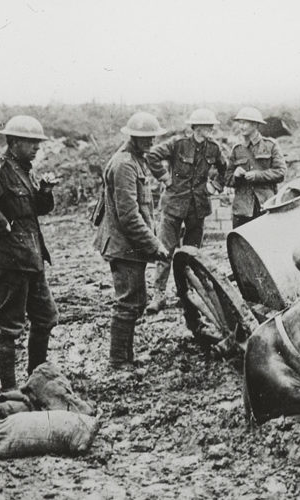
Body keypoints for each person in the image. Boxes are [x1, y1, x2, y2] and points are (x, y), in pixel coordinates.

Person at [0, 115, 59, 392]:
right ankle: (8, 390)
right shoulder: (0, 170)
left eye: (38, 143)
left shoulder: (24, 169)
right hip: (10, 258)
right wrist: (2, 223)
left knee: (45, 317)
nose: (37, 148)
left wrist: (44, 191)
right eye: (31, 143)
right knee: (9, 325)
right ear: (14, 142)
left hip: (30, 255)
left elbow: (36, 209)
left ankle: (35, 379)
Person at [93, 112, 170, 369]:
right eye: (144, 138)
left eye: (152, 137)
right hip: (123, 246)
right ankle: (118, 360)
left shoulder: (134, 159)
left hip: (128, 245)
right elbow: (129, 216)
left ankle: (127, 357)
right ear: (132, 137)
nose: (150, 142)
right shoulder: (125, 164)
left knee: (135, 301)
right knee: (128, 302)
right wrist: (155, 245)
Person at [144, 108, 227, 313]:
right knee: (165, 250)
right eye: (204, 126)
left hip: (197, 208)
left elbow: (225, 168)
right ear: (195, 127)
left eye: (210, 126)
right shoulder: (178, 144)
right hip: (173, 205)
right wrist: (164, 177)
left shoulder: (214, 149)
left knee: (192, 253)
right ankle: (159, 294)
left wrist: (215, 186)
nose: (208, 130)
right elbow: (152, 155)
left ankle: (187, 292)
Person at [224, 107, 286, 228]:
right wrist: (235, 176)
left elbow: (281, 172)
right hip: (242, 208)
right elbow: (226, 178)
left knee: (266, 243)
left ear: (255, 124)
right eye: (240, 123)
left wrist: (258, 175)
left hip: (265, 204)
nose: (241, 126)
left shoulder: (270, 145)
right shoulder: (237, 149)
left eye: (245, 123)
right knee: (241, 245)